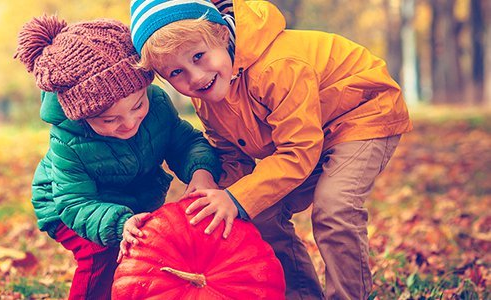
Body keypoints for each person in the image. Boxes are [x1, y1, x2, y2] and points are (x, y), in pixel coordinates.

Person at [129, 0, 412, 298]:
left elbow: (299, 150)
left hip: (360, 113)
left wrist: (235, 197)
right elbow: (231, 156)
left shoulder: (277, 67)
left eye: (199, 56)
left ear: (222, 35)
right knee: (258, 213)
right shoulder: (207, 95)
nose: (195, 77)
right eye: (176, 73)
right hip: (312, 134)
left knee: (334, 207)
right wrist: (211, 187)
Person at [15, 15, 221, 299]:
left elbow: (185, 142)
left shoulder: (157, 104)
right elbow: (74, 202)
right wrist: (118, 223)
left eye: (138, 105)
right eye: (110, 120)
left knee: (146, 255)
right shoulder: (69, 140)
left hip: (129, 197)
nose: (129, 123)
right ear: (84, 116)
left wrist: (201, 172)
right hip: (69, 206)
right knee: (101, 255)